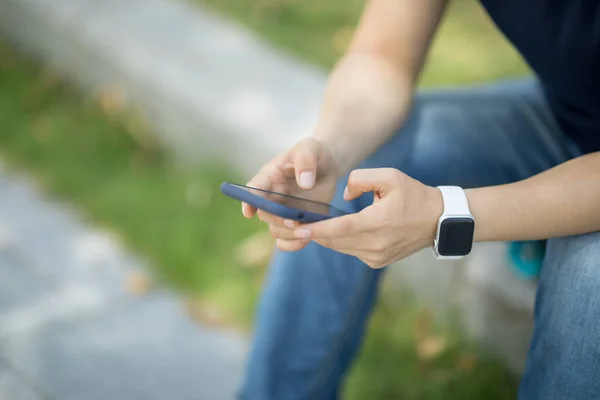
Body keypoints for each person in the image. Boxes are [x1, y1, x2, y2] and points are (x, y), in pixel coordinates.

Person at [238, 0, 600, 398]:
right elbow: (382, 54)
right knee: (356, 169)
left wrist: (447, 215)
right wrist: (329, 153)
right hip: (569, 116)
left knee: (589, 273)